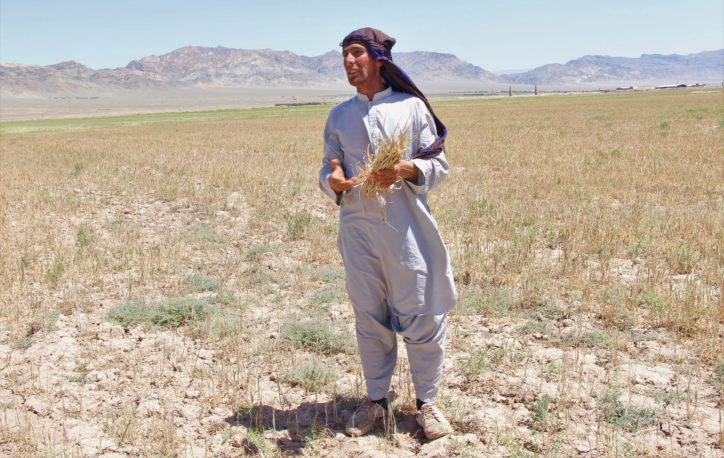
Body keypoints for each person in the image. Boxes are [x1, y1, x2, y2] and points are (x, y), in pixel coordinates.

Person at [318, 27, 457, 440]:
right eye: (344, 56)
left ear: (378, 58)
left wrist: (404, 169)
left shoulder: (411, 107)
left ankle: (428, 402)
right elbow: (329, 163)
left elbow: (438, 163)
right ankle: (375, 401)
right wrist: (334, 177)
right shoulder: (340, 115)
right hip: (357, 229)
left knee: (420, 312)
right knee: (369, 315)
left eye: (356, 53)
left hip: (404, 228)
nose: (348, 62)